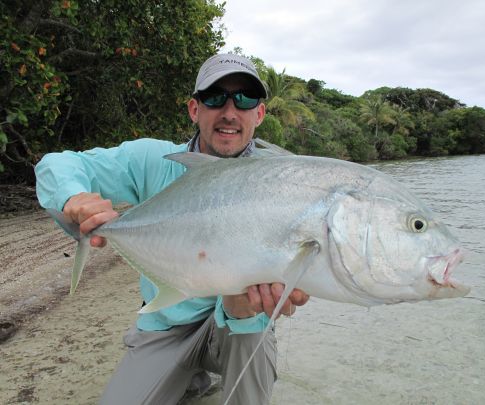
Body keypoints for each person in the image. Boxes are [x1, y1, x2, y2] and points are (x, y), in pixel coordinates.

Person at [35, 53, 310, 405]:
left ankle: (202, 374)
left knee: (250, 335)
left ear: (259, 113)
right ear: (194, 110)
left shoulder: (281, 178)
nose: (229, 111)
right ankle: (191, 377)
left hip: (238, 325)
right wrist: (74, 197)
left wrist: (249, 304)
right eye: (215, 97)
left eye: (244, 99)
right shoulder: (156, 160)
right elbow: (55, 164)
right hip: (165, 327)